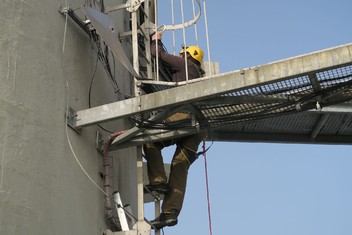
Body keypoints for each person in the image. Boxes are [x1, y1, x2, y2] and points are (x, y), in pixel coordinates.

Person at [143, 32, 206, 230]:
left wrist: (156, 40)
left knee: (150, 140)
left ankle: (159, 181)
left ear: (188, 55)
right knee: (180, 166)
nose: (180, 56)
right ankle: (169, 213)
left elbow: (158, 55)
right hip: (198, 130)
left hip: (183, 115)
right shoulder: (198, 76)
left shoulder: (185, 65)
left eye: (182, 54)